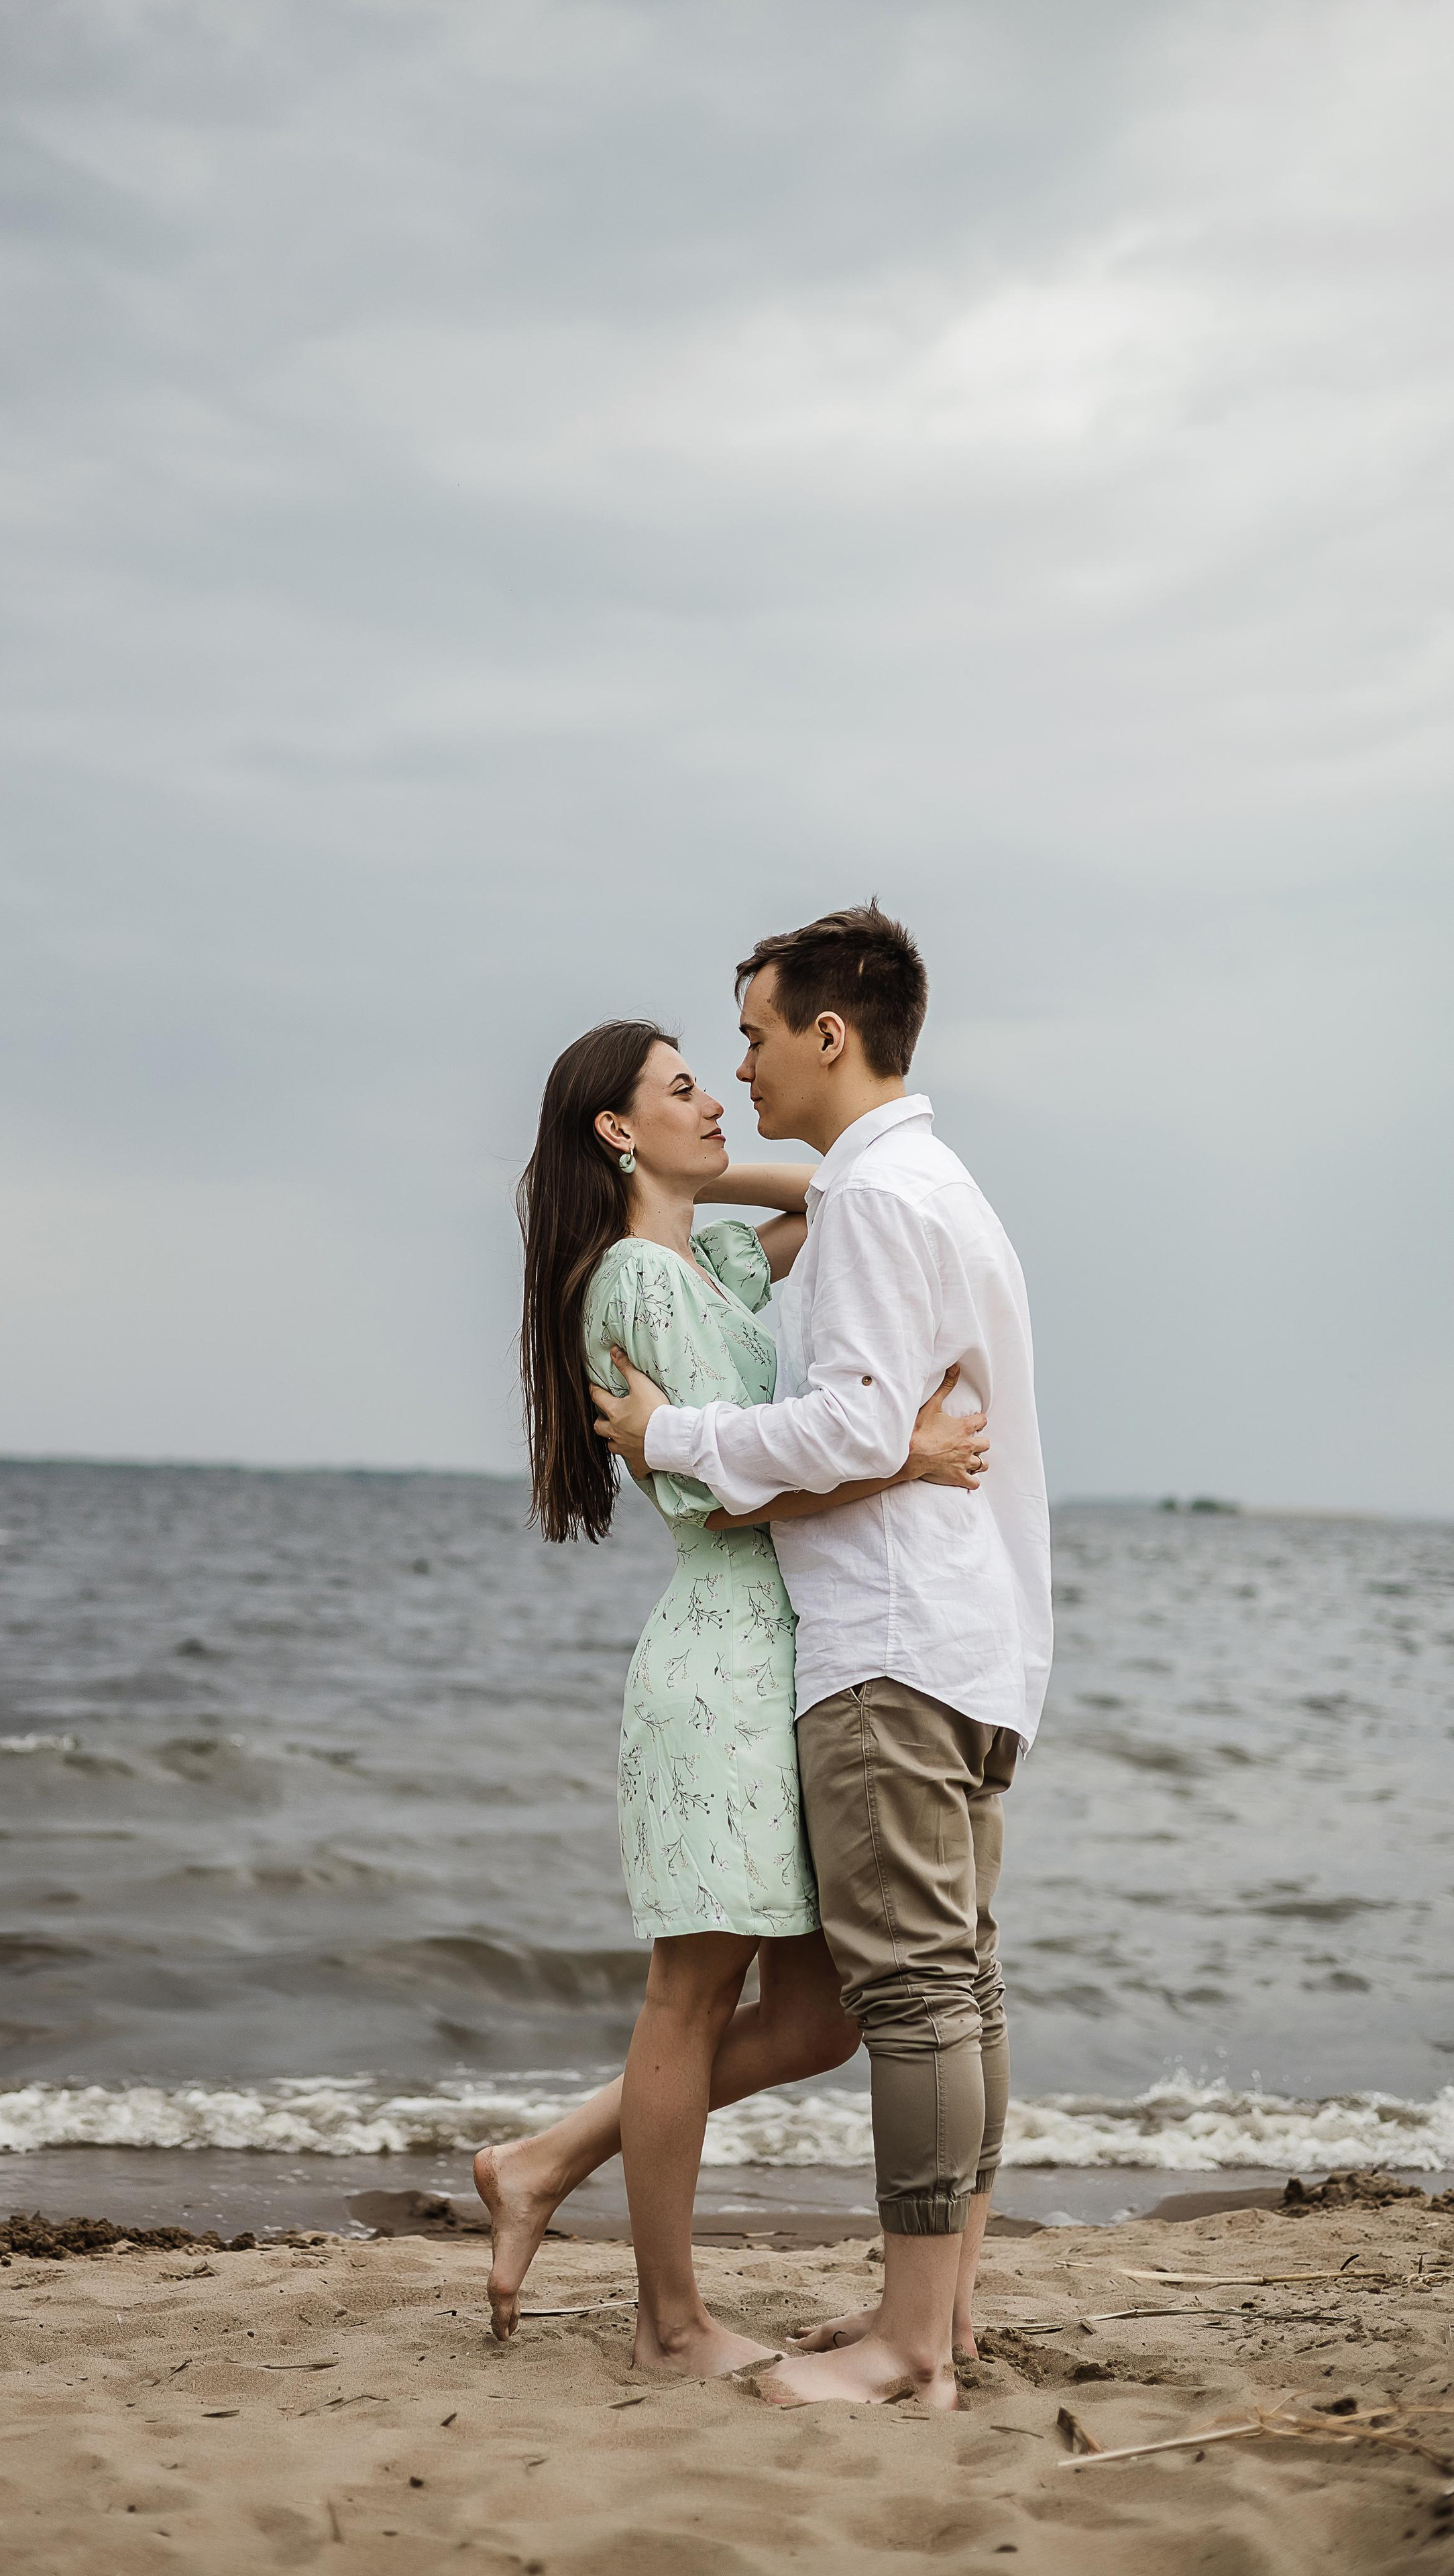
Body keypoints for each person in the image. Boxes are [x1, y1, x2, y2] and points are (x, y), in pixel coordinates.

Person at [476, 1016, 989, 2376]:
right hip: (718, 1668)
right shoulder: (631, 1290)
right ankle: (665, 2321)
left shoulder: (694, 1258)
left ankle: (546, 2159)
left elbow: (837, 1198)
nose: (718, 1101)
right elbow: (715, 1493)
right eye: (683, 1089)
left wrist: (704, 1170)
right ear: (614, 1127)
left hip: (789, 1659)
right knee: (688, 1998)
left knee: (821, 2017)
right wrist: (913, 1460)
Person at [593, 906, 1051, 2411]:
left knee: (916, 1996)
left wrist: (674, 1435)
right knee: (960, 1990)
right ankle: (947, 2314)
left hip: (885, 1646)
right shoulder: (935, 1185)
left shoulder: (867, 1205)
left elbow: (855, 1425)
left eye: (752, 1033)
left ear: (825, 1034)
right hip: (975, 1639)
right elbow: (883, 1424)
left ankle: (909, 2343)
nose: (741, 1065)